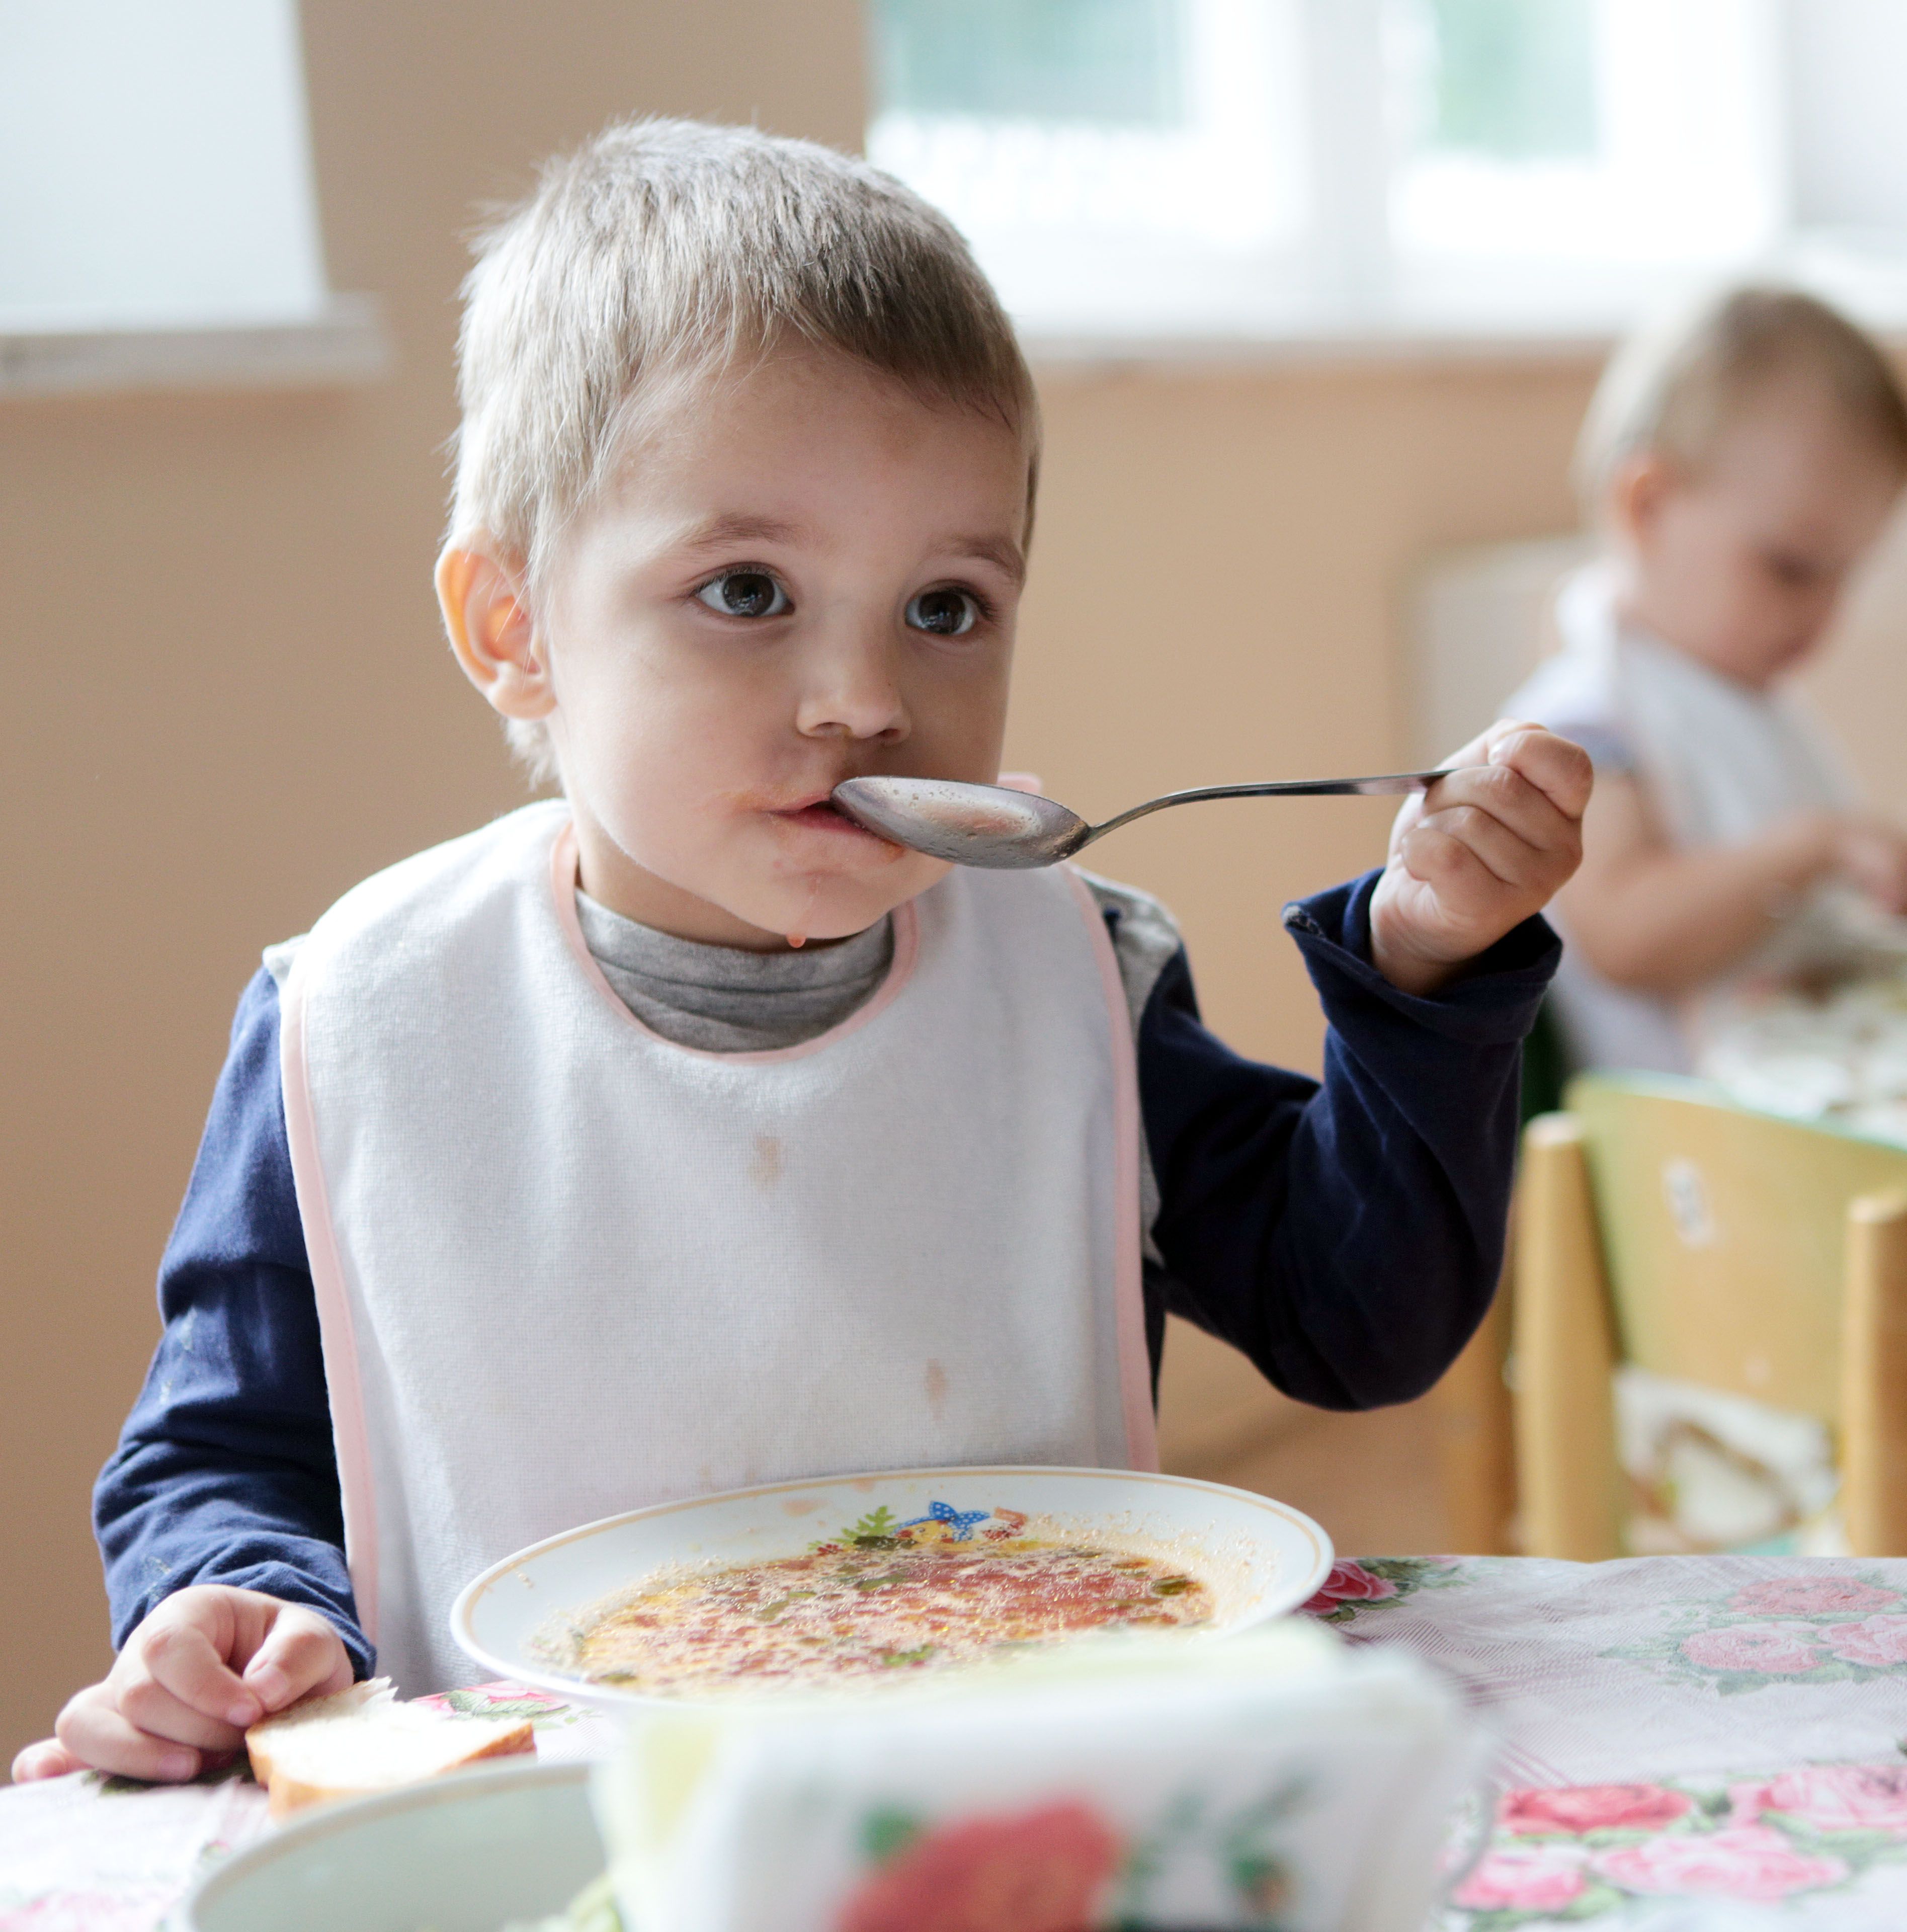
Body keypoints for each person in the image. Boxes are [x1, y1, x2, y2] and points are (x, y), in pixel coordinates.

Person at [15, 121, 1587, 1784]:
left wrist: (1423, 975)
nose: (865, 698)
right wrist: (235, 1603)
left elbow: (1362, 1322)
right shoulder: (362, 1019)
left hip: (1022, 1805)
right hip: (551, 1836)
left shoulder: (1072, 976)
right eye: (751, 589)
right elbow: (221, 1454)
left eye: (947, 606)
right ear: (515, 629)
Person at [1508, 286, 1907, 1076]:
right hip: (1684, 1155)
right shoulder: (1585, 725)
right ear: (1648, 505)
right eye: (1792, 569)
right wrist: (1814, 845)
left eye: (1844, 578)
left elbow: (1809, 917)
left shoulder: (1746, 704)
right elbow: (1622, 935)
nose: (1825, 612)